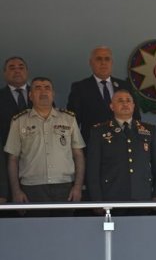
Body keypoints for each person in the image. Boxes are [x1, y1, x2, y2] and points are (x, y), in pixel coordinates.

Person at [4, 77, 85, 216]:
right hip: (31, 188)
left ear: (53, 94)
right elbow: (13, 159)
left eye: (47, 87)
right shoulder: (19, 121)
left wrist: (77, 187)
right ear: (30, 95)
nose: (43, 91)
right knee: (35, 234)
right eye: (37, 87)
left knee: (65, 233)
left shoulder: (68, 119)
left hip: (64, 187)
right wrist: (16, 191)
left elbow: (78, 155)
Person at [86, 90, 156, 215]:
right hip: (111, 197)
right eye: (120, 101)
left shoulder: (149, 130)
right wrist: (96, 199)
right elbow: (92, 169)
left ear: (133, 106)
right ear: (112, 106)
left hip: (142, 196)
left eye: (128, 100)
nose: (125, 104)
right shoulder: (99, 131)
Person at [67, 46, 141, 144]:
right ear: (91, 63)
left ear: (111, 62)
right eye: (99, 59)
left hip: (123, 145)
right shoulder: (80, 87)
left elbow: (135, 117)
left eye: (107, 59)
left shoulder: (125, 86)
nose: (103, 62)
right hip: (92, 145)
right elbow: (73, 122)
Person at [0, 56, 33, 147]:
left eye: (21, 68)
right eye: (12, 68)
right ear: (4, 73)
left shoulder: (39, 94)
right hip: (7, 150)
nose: (17, 71)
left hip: (38, 152)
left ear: (27, 72)